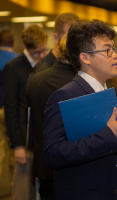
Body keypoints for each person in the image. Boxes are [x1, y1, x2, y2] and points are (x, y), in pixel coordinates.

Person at [43, 19, 117, 200]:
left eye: (114, 49)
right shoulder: (65, 95)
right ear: (85, 57)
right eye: (107, 50)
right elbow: (53, 154)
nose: (115, 55)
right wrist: (109, 135)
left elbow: (113, 153)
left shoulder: (106, 93)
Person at [26, 33, 76, 199]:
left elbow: (31, 119)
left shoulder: (35, 79)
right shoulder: (78, 83)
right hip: (71, 163)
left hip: (43, 162)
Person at [3, 24, 48, 200]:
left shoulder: (45, 65)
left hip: (41, 137)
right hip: (24, 140)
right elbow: (11, 109)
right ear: (26, 48)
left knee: (40, 189)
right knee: (23, 190)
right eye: (38, 52)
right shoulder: (13, 68)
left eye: (44, 50)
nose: (42, 55)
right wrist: (18, 145)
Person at [0, 29, 17, 196]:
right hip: (11, 111)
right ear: (12, 42)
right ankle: (13, 187)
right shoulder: (16, 61)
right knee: (14, 150)